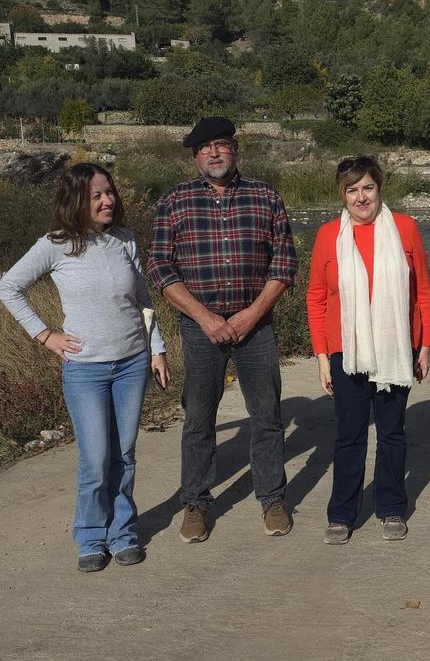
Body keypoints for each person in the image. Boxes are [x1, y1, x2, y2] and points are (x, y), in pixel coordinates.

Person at [0, 162, 170, 573]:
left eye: (109, 192)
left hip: (132, 364)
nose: (107, 200)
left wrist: (157, 349)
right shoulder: (55, 245)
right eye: (96, 195)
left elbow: (142, 299)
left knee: (124, 456)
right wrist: (46, 336)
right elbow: (9, 287)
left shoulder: (124, 240)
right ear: (76, 200)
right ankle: (91, 537)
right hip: (86, 370)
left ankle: (123, 533)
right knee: (95, 459)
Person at [146, 116, 298, 542]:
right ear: (195, 156)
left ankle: (272, 497)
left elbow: (283, 263)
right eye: (204, 147)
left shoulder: (265, 196)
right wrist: (205, 317)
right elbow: (159, 265)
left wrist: (251, 314)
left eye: (221, 145)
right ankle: (195, 502)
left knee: (267, 416)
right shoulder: (174, 201)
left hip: (257, 328)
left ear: (236, 149)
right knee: (198, 418)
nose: (213, 153)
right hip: (200, 330)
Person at [306, 156, 430, 545]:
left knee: (393, 432)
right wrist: (322, 357)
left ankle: (391, 507)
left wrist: (425, 345)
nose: (361, 197)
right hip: (348, 351)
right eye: (352, 190)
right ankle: (342, 514)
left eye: (368, 188)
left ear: (379, 188)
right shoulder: (329, 235)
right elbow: (316, 297)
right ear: (342, 195)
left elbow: (423, 291)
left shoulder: (406, 229)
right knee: (349, 434)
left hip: (396, 348)